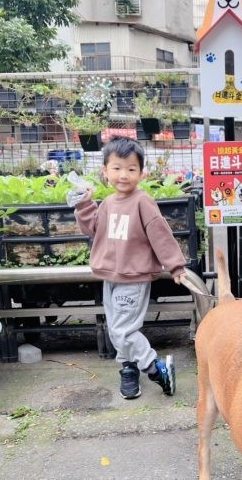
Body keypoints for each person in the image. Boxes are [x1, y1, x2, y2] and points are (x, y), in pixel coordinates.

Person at [68, 138, 186, 399]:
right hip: (110, 275)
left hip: (133, 276)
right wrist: (84, 205)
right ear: (105, 171)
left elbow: (160, 233)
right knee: (116, 328)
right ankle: (128, 368)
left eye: (131, 169)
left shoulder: (143, 202)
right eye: (117, 168)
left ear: (141, 173)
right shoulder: (108, 203)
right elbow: (94, 230)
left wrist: (175, 265)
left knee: (123, 330)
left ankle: (155, 368)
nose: (124, 175)